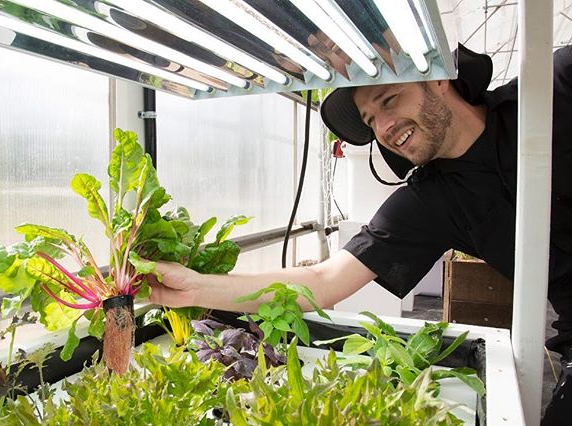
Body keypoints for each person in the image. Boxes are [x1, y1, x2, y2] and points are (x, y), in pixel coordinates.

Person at [149, 44, 572, 424]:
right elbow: (324, 282)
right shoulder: (432, 199)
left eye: (389, 100)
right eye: (371, 120)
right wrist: (194, 288)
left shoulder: (559, 86)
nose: (384, 127)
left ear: (439, 77)